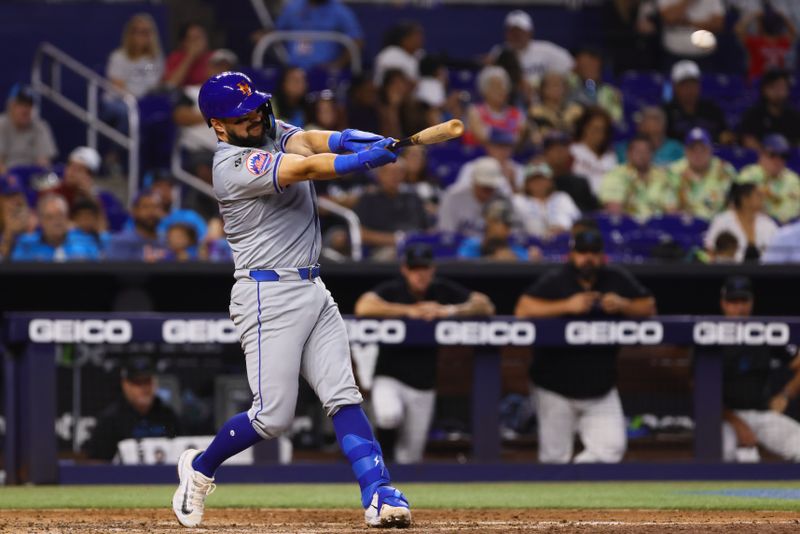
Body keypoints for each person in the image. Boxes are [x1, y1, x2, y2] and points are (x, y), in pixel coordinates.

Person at [171, 71, 411, 529]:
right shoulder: (231, 166)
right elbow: (303, 166)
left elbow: (310, 141)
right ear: (219, 126)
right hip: (266, 295)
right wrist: (361, 161)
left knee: (344, 396)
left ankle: (378, 492)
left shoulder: (267, 127)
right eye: (243, 116)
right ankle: (199, 469)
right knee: (272, 417)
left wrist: (349, 138)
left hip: (312, 287)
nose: (257, 118)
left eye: (258, 107)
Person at [514, 229, 656, 463]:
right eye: (582, 252)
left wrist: (623, 304)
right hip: (554, 387)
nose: (587, 258)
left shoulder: (615, 278)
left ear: (602, 256)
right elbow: (523, 309)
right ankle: (558, 498)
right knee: (554, 459)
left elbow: (648, 306)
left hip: (600, 388)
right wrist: (566, 306)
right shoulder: (557, 278)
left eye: (593, 253)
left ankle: (578, 486)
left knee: (611, 450)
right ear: (572, 254)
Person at [354, 244, 494, 463]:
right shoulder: (394, 289)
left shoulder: (441, 290)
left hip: (424, 383)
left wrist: (447, 310)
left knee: (411, 455)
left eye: (424, 268)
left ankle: (399, 484)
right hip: (389, 376)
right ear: (405, 270)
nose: (419, 274)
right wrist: (410, 310)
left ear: (432, 269)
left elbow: (484, 305)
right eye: (414, 268)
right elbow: (363, 306)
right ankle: (381, 465)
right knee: (388, 414)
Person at [716, 276, 800, 462]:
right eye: (733, 301)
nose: (739, 307)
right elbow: (699, 390)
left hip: (761, 415)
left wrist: (785, 394)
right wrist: (736, 422)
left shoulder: (764, 331)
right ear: (723, 303)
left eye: (743, 301)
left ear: (752, 302)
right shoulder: (711, 335)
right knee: (729, 455)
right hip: (723, 417)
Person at [83, 357, 180, 461]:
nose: (144, 388)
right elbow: (97, 464)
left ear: (155, 383)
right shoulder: (110, 421)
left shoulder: (168, 416)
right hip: (123, 476)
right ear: (125, 385)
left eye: (147, 381)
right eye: (137, 383)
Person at [173, 48, 239, 185]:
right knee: (207, 170)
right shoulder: (191, 92)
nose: (222, 73)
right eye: (218, 67)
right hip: (199, 151)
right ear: (208, 69)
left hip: (231, 152)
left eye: (227, 69)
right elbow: (180, 116)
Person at [354, 158, 429, 261]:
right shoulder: (368, 199)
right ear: (379, 175)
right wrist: (397, 240)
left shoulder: (413, 197)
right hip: (382, 249)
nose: (394, 176)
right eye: (389, 172)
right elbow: (360, 233)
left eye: (399, 172)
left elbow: (427, 228)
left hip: (415, 246)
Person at [103, 13, 164, 131]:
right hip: (119, 101)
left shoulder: (156, 58)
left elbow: (157, 85)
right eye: (137, 31)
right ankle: (119, 149)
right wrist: (138, 102)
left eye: (146, 32)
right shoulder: (118, 56)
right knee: (130, 113)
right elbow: (118, 86)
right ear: (130, 34)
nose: (141, 36)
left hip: (145, 100)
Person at [46, 146, 128, 232]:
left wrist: (89, 195)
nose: (71, 172)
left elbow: (103, 231)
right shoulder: (54, 193)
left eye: (79, 169)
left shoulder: (104, 198)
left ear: (89, 176)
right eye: (70, 165)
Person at [600, 135, 677, 221]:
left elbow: (671, 210)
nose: (642, 156)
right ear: (628, 154)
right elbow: (614, 211)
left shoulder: (663, 177)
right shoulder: (615, 175)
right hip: (627, 227)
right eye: (638, 151)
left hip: (659, 227)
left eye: (646, 151)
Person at [488, 10, 574, 86]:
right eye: (512, 31)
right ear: (507, 33)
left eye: (520, 32)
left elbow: (570, 65)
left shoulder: (545, 49)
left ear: (530, 32)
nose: (516, 36)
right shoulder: (499, 52)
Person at [275, 0, 364, 71]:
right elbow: (275, 33)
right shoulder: (293, 7)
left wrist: (338, 65)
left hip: (324, 71)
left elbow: (357, 41)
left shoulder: (340, 10)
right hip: (291, 69)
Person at [668, 127, 736, 220]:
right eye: (693, 149)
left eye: (702, 149)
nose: (698, 154)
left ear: (710, 150)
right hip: (687, 227)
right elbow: (670, 209)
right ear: (686, 151)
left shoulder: (725, 170)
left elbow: (735, 204)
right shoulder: (674, 172)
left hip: (719, 226)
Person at [11, 194, 100, 262]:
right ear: (41, 221)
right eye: (49, 217)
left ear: (67, 217)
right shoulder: (25, 245)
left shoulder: (86, 242)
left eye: (60, 215)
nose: (56, 221)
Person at [704, 182, 778, 262]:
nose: (762, 198)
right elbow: (711, 249)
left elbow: (779, 250)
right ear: (745, 199)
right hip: (730, 270)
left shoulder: (768, 222)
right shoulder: (722, 220)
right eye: (758, 195)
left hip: (764, 271)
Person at [737, 133, 800, 223]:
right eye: (772, 155)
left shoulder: (794, 180)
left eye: (783, 156)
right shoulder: (749, 175)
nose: (778, 160)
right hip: (757, 228)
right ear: (761, 154)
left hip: (789, 230)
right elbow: (741, 207)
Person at [437, 156, 507, 238]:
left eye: (491, 186)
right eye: (484, 186)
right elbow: (446, 233)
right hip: (458, 248)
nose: (488, 190)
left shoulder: (502, 199)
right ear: (474, 181)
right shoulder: (453, 196)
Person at [663, 60, 729, 143]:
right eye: (685, 85)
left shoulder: (712, 110)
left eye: (693, 84)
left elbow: (726, 136)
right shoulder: (666, 112)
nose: (690, 89)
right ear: (675, 87)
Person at [512, 163, 580, 239]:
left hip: (564, 241)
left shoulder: (562, 197)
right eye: (533, 180)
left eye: (542, 179)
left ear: (550, 182)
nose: (538, 183)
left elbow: (577, 220)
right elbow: (514, 228)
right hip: (531, 244)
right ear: (526, 184)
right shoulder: (518, 201)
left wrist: (560, 229)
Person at [0, 84, 58, 174]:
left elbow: (44, 162)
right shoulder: (2, 124)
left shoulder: (40, 127)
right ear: (10, 106)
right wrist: (10, 180)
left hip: (32, 178)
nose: (25, 110)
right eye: (21, 105)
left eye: (28, 105)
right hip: (5, 178)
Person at [464, 66, 525, 147]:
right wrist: (509, 134)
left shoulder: (516, 114)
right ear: (484, 90)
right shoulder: (475, 112)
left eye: (503, 86)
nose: (500, 90)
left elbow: (518, 140)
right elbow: (481, 137)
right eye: (495, 87)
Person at [739, 69, 800, 149]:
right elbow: (747, 139)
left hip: (789, 159)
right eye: (774, 87)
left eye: (783, 88)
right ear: (765, 89)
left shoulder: (793, 115)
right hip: (760, 159)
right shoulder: (753, 114)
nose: (779, 93)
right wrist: (765, 154)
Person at [735, 2, 797, 82]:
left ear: (762, 27)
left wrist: (755, 15)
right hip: (758, 83)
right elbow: (794, 33)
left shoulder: (758, 42)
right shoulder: (781, 42)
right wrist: (782, 16)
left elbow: (738, 30)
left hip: (774, 83)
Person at [541, 130, 598, 213]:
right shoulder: (537, 182)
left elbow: (592, 213)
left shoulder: (580, 183)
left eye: (563, 147)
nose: (559, 151)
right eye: (553, 148)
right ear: (545, 154)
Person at [457, 198, 530, 261]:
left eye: (510, 225)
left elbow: (528, 262)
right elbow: (463, 266)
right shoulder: (473, 245)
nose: (508, 229)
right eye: (505, 224)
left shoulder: (515, 249)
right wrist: (492, 260)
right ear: (490, 221)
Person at [105, 190, 167, 262]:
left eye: (156, 207)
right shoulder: (120, 242)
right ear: (134, 211)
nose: (151, 211)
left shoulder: (169, 242)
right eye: (145, 207)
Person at [568, 47, 623, 125]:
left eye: (592, 64)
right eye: (584, 65)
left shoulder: (610, 92)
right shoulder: (569, 83)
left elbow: (616, 119)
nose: (589, 67)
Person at [569, 106, 617, 195]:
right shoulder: (572, 151)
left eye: (602, 130)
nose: (598, 134)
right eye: (595, 128)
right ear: (584, 128)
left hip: (607, 203)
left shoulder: (610, 157)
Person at [657, 0, 725, 60]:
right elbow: (669, 18)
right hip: (672, 53)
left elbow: (718, 25)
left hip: (705, 55)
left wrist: (688, 23)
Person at [617, 106, 684, 167]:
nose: (653, 126)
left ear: (664, 126)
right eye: (646, 121)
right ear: (639, 127)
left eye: (657, 121)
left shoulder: (676, 149)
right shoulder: (623, 149)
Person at [528, 71, 583, 143]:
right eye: (553, 85)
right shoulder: (535, 110)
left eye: (560, 84)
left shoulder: (576, 109)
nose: (557, 88)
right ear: (542, 89)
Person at [373, 21, 425, 87]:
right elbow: (395, 83)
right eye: (416, 35)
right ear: (404, 39)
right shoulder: (390, 54)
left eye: (420, 35)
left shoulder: (420, 54)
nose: (420, 39)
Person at [163, 23, 213, 89]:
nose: (197, 43)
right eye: (193, 39)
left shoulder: (214, 58)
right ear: (184, 42)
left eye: (200, 37)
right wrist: (190, 57)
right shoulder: (175, 57)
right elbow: (171, 84)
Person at [0, 173, 36, 260]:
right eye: (9, 196)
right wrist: (9, 233)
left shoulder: (40, 222)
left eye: (19, 194)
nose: (17, 201)